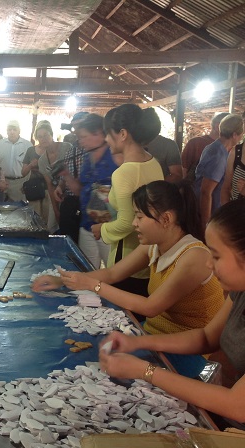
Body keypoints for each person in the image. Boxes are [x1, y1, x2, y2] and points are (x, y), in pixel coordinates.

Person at [98, 199, 245, 429]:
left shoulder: (191, 257)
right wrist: (137, 342)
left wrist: (145, 370)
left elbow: (237, 405)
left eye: (216, 256)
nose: (208, 263)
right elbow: (206, 337)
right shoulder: (240, 292)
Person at [33, 180, 224, 335]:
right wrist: (62, 280)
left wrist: (92, 285)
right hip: (153, 333)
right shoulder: (154, 245)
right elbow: (113, 273)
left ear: (166, 219)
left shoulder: (194, 256)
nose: (134, 224)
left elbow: (150, 307)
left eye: (140, 217)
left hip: (188, 346)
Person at [93, 104, 164, 296]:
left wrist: (102, 229)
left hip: (128, 260)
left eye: (108, 133)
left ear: (123, 134)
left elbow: (127, 222)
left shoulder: (124, 173)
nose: (106, 139)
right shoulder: (153, 162)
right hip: (151, 254)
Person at [61, 113, 122, 268]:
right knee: (87, 269)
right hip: (87, 224)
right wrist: (66, 176)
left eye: (83, 137)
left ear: (99, 134)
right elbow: (80, 191)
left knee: (113, 270)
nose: (80, 142)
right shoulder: (88, 158)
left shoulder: (117, 156)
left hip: (110, 226)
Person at [194, 113, 244, 228]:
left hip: (204, 208)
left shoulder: (214, 147)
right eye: (242, 134)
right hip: (207, 212)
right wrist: (205, 224)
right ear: (235, 135)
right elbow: (206, 191)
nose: (242, 137)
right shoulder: (219, 156)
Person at [55, 112, 90, 243]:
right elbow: (66, 174)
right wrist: (59, 186)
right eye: (75, 127)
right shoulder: (71, 149)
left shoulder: (96, 150)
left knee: (87, 250)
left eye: (80, 126)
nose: (77, 131)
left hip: (89, 205)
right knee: (68, 242)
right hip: (70, 202)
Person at [32, 120, 72, 230]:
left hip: (73, 193)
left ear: (52, 135)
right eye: (40, 137)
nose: (43, 139)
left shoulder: (67, 148)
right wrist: (55, 210)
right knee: (52, 226)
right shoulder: (42, 160)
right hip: (56, 194)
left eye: (46, 135)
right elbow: (50, 185)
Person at [182, 112, 229, 182]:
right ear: (218, 126)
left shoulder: (234, 149)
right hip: (196, 189)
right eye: (232, 128)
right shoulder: (196, 143)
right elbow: (184, 170)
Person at [0, 120, 32, 202]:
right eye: (9, 129)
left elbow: (31, 166)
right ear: (6, 131)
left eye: (14, 129)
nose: (12, 132)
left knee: (18, 211)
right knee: (1, 209)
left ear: (19, 131)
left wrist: (26, 184)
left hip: (20, 183)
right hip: (2, 183)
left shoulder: (28, 145)